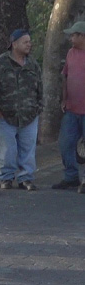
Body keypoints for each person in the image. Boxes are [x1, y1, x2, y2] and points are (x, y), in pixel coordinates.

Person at [0, 29, 42, 191]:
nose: (29, 44)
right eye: (25, 42)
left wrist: (39, 107)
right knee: (6, 150)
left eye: (29, 42)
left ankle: (26, 178)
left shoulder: (33, 64)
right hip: (5, 115)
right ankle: (6, 178)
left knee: (28, 149)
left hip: (29, 115)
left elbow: (40, 87)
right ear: (14, 44)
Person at [52, 21, 85, 193]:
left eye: (73, 35)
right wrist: (64, 99)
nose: (70, 38)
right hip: (72, 108)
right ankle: (71, 177)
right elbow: (65, 76)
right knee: (65, 143)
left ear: (82, 36)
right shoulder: (71, 53)